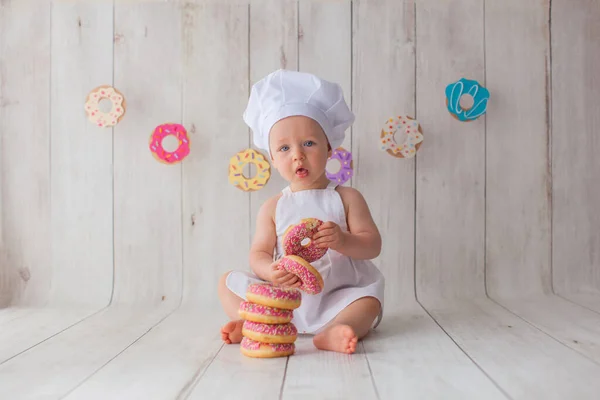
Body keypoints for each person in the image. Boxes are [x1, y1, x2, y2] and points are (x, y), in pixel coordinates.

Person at [218, 69, 385, 354]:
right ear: (272, 158)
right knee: (227, 282)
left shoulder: (347, 198)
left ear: (329, 147)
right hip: (284, 300)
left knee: (369, 302)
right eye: (284, 148)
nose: (297, 154)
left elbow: (372, 245)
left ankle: (332, 332)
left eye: (308, 143)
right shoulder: (273, 207)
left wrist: (343, 241)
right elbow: (258, 253)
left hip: (337, 298)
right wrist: (270, 272)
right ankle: (257, 323)